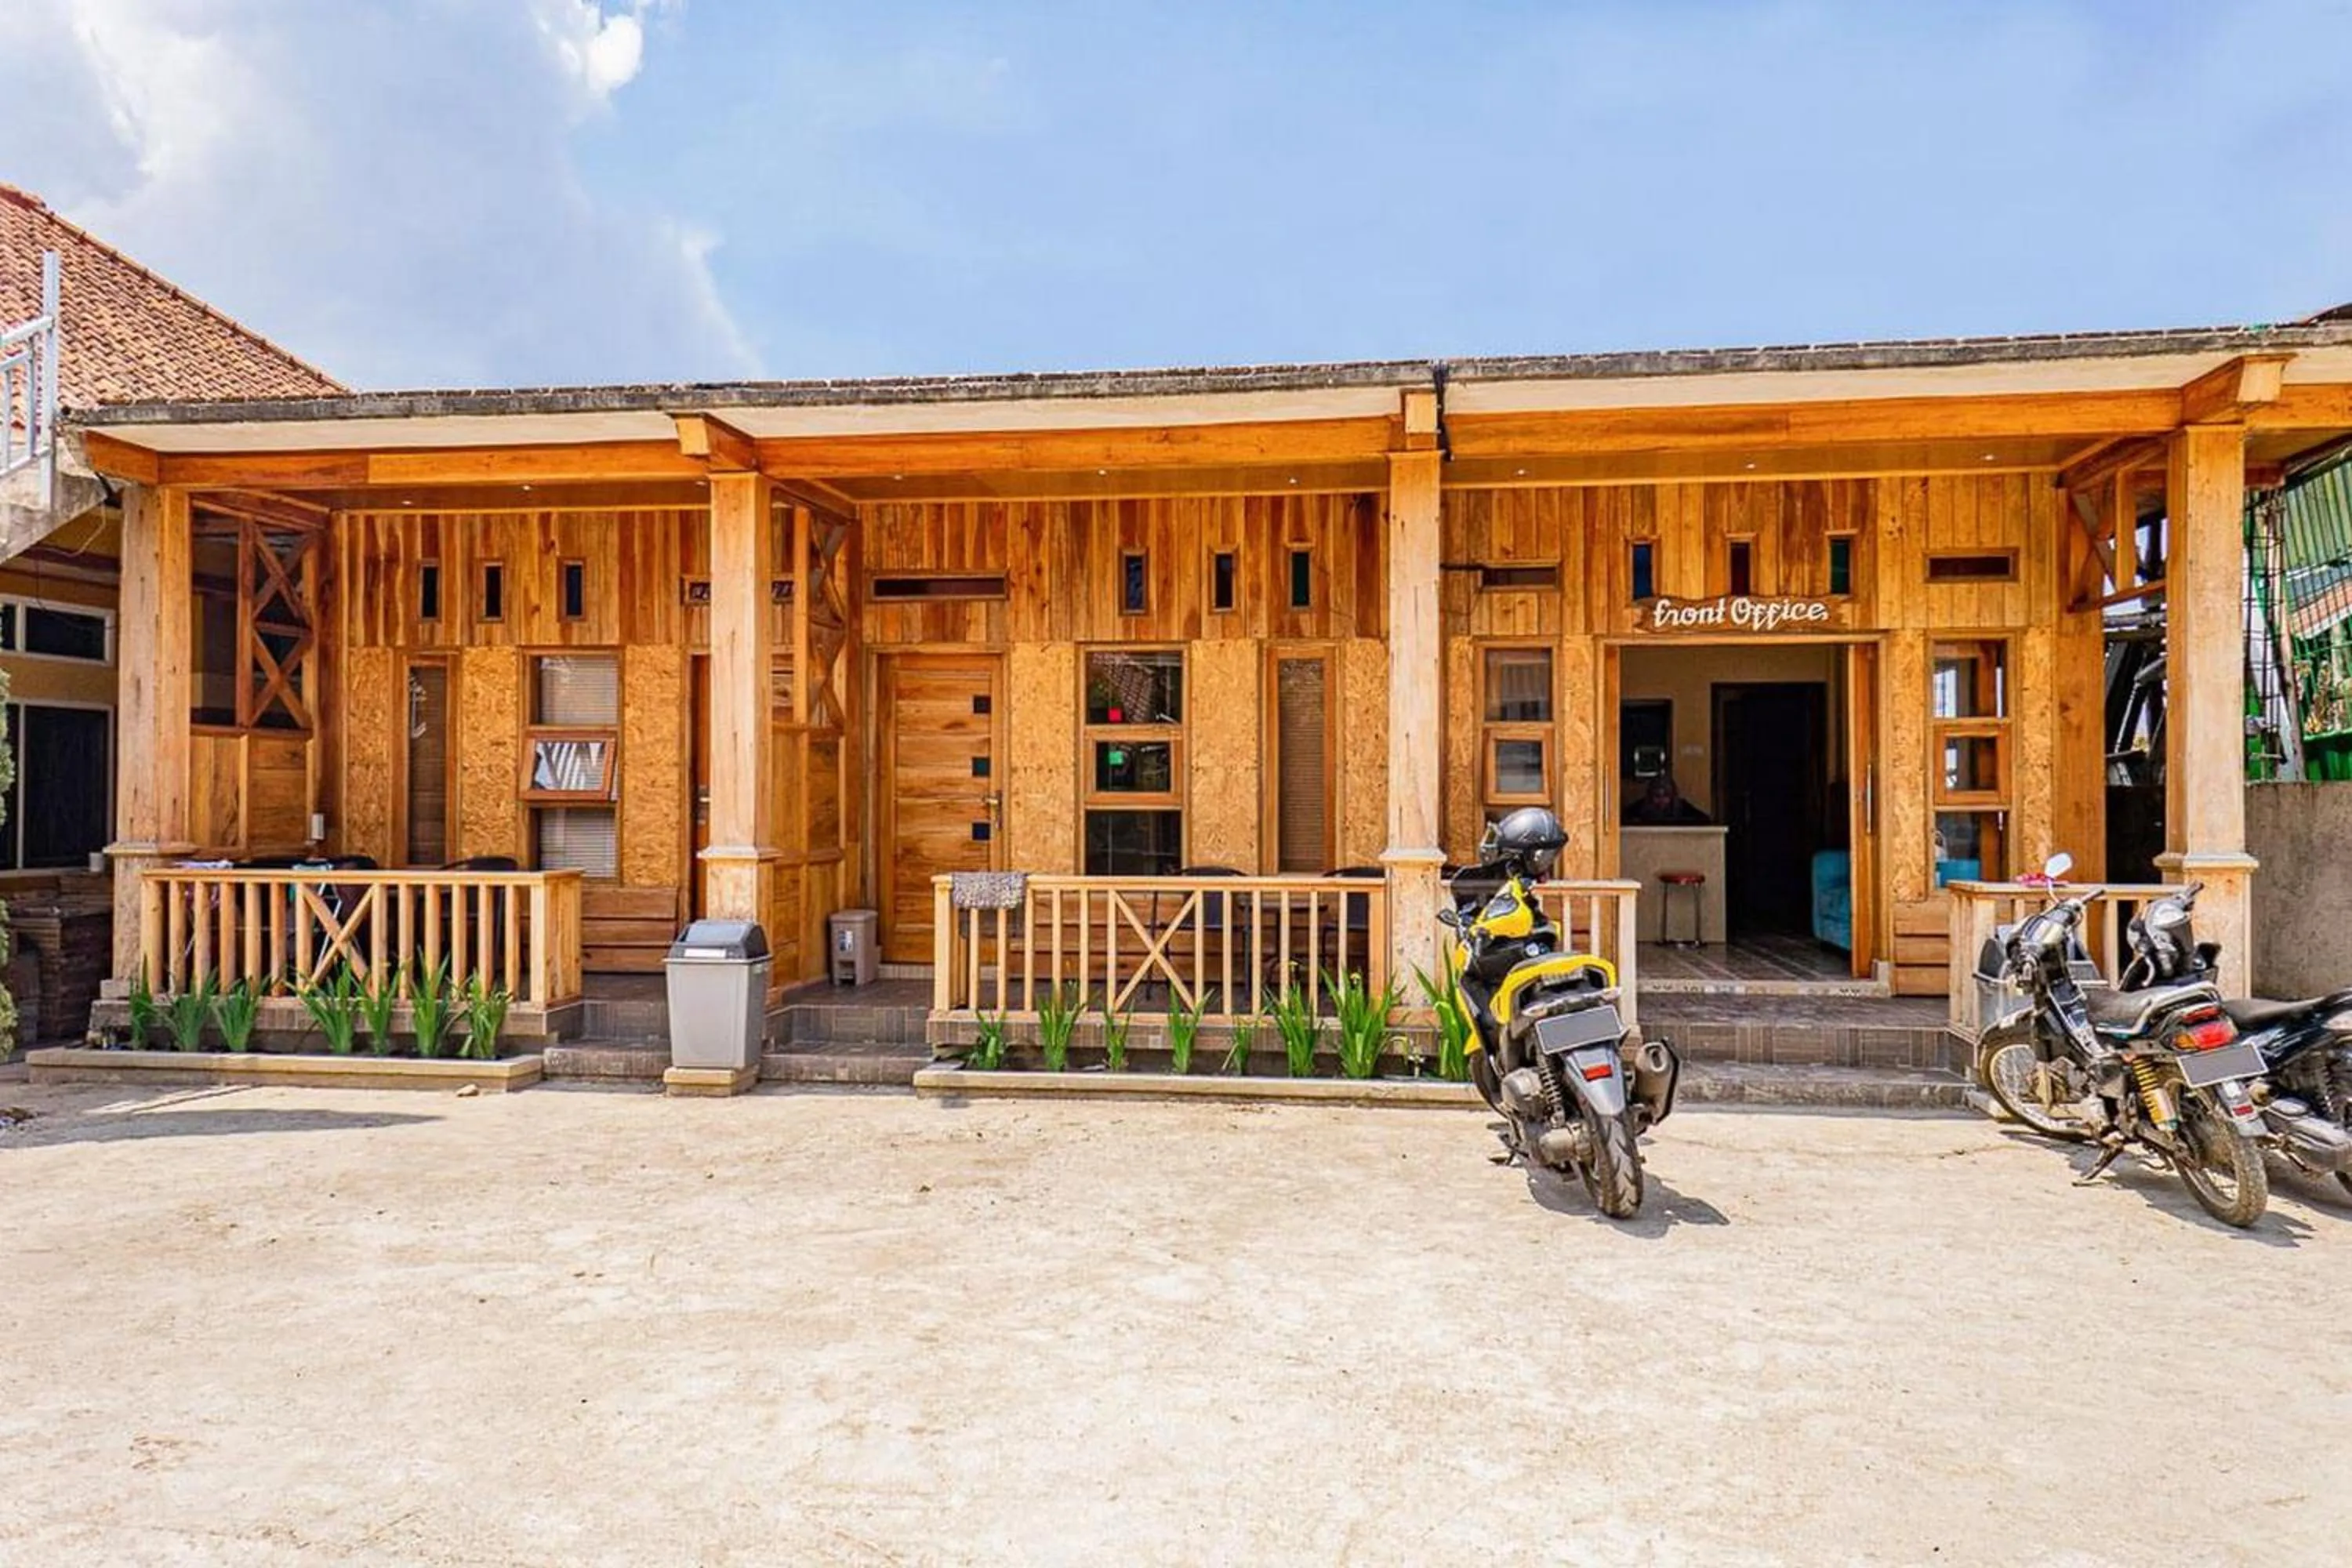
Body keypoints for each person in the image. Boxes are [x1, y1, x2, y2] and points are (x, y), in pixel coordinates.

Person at [1624, 774, 1711, 826]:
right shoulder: (1640, 807)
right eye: (1657, 796)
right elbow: (1624, 818)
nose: (1661, 800)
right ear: (1650, 797)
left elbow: (1704, 820)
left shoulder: (1683, 807)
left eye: (1666, 796)